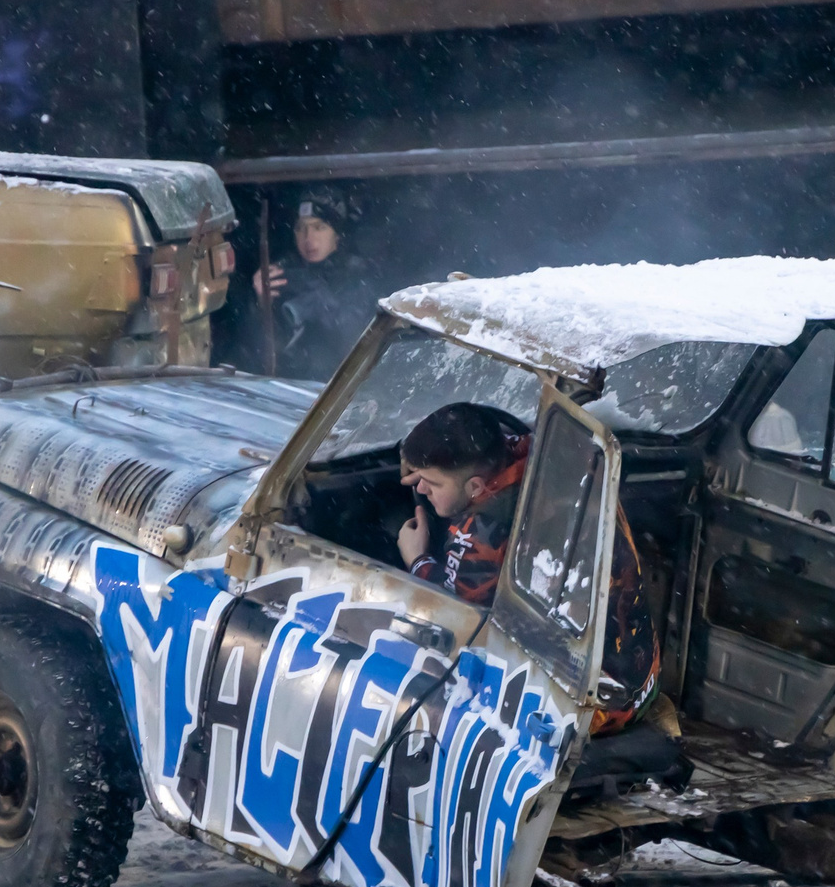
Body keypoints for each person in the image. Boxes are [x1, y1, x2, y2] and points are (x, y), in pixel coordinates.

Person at [395, 403, 659, 733]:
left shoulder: (483, 539)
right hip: (638, 676)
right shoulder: (548, 456)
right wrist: (425, 460)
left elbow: (452, 619)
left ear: (476, 487)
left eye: (432, 483)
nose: (420, 489)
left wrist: (417, 559)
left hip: (587, 712)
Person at [252, 187, 378, 379]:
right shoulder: (283, 275)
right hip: (289, 387)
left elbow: (356, 347)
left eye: (319, 227)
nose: (308, 238)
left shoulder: (358, 277)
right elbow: (256, 352)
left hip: (336, 390)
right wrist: (262, 304)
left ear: (337, 235)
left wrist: (323, 305)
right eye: (301, 228)